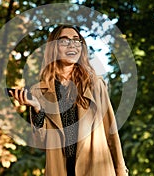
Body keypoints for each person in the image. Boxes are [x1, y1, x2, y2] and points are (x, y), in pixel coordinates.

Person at [10, 24, 129, 176]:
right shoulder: (39, 91)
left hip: (96, 170)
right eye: (64, 40)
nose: (72, 44)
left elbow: (111, 132)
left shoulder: (95, 85)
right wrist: (37, 108)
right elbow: (41, 143)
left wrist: (120, 171)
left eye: (76, 40)